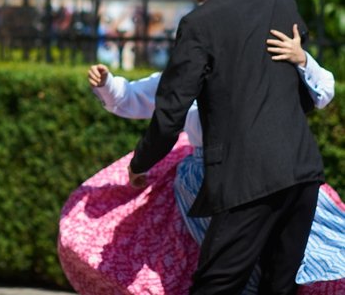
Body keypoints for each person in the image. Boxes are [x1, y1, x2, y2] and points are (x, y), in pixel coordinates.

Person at [57, 25, 345, 294]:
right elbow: (134, 97)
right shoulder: (184, 77)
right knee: (220, 267)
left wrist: (303, 59)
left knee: (287, 262)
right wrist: (107, 84)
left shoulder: (260, 76)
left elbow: (322, 92)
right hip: (203, 184)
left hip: (271, 173)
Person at [126, 0, 325, 294]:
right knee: (278, 287)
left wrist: (140, 162)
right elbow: (303, 94)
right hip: (303, 173)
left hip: (248, 179)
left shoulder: (200, 24)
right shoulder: (282, 7)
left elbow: (170, 114)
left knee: (215, 286)